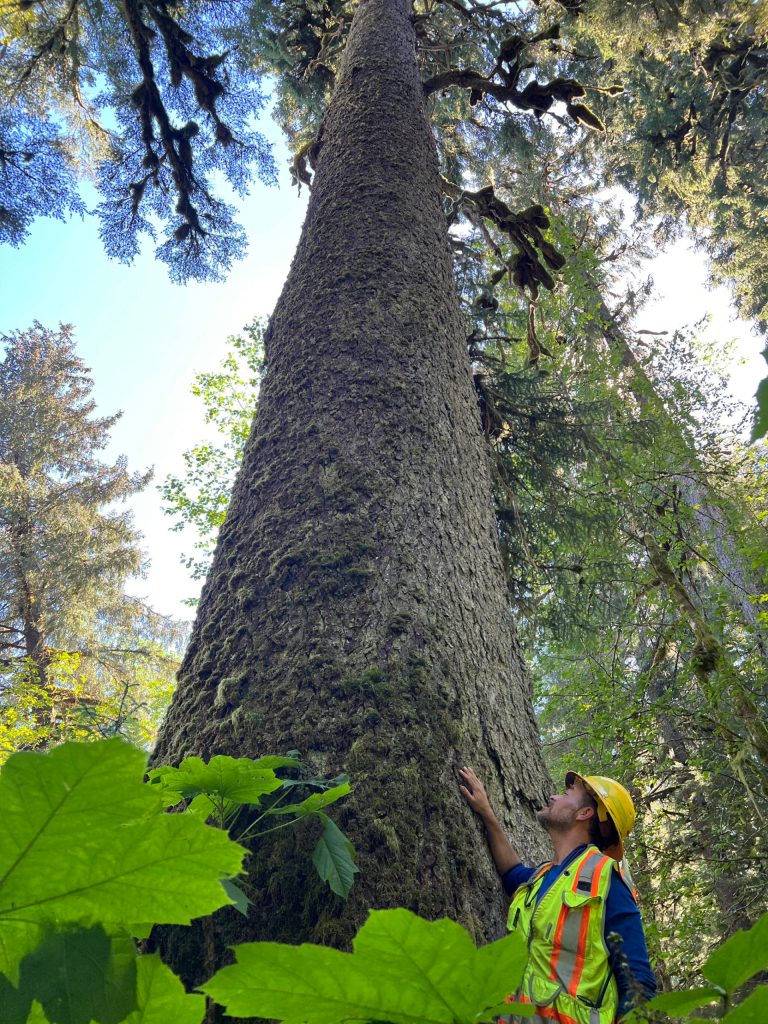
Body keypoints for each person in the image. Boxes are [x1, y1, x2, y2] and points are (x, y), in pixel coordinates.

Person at [459, 767, 656, 1024]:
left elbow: (639, 986)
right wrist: (486, 813)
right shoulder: (542, 877)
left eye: (565, 793)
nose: (553, 797)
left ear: (585, 813)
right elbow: (511, 873)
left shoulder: (607, 879)